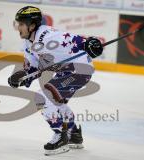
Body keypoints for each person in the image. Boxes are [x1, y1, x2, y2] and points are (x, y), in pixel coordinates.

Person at [8, 6, 103, 155]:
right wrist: (21, 78)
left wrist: (89, 43)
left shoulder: (47, 35)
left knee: (42, 97)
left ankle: (61, 136)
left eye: (21, 24)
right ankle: (74, 135)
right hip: (67, 70)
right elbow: (33, 68)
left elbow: (73, 39)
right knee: (56, 103)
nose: (18, 27)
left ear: (32, 25)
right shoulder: (28, 44)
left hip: (80, 69)